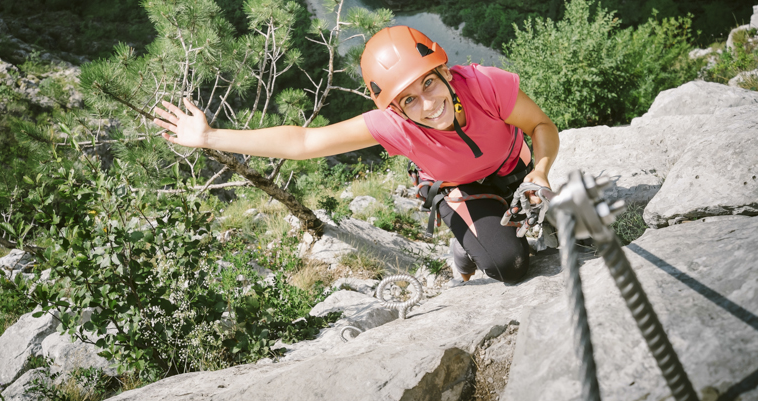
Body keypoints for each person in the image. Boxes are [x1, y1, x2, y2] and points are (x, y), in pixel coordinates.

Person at [153, 26, 559, 284]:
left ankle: (492, 221)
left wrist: (539, 173)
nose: (428, 105)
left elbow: (541, 127)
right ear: (395, 109)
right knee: (508, 265)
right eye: (409, 100)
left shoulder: (486, 85)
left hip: (515, 173)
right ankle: (464, 243)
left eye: (429, 85)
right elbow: (304, 143)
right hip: (461, 190)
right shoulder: (392, 126)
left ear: (446, 74)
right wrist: (210, 136)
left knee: (559, 228)